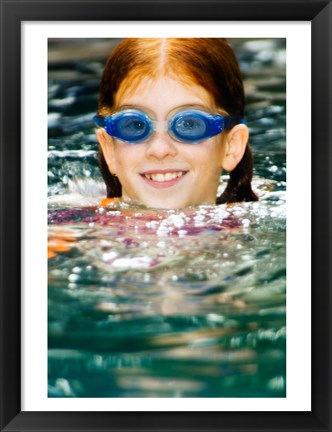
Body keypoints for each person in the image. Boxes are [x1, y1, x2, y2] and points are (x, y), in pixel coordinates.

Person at [94, 38, 258, 209]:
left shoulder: (259, 229)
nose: (159, 150)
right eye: (136, 125)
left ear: (232, 146)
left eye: (189, 124)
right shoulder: (75, 228)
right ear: (109, 149)